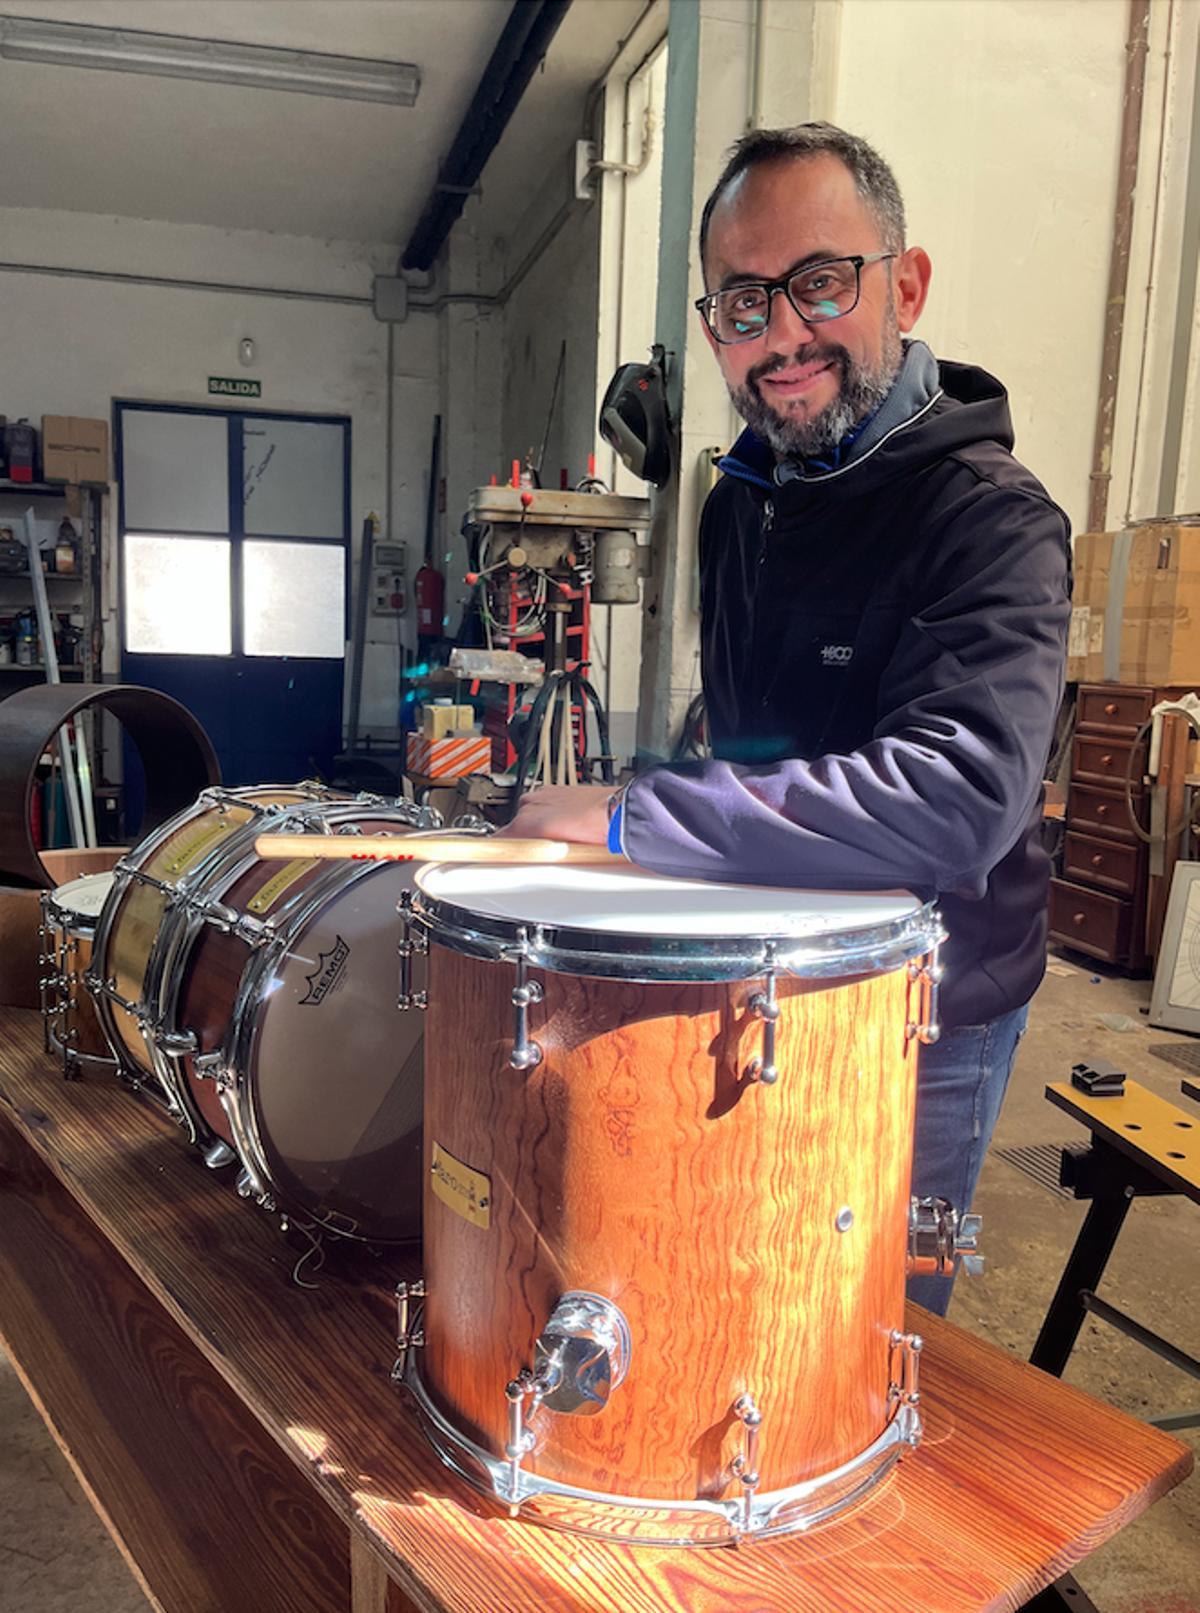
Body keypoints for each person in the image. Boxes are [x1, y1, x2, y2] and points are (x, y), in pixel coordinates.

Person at [504, 122, 1071, 1315]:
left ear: (904, 285)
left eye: (821, 281)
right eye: (743, 302)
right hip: (767, 974)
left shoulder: (993, 520)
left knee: (870, 1329)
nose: (784, 334)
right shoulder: (742, 503)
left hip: (930, 1004)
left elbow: (955, 799)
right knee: (745, 1288)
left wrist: (632, 813)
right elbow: (760, 747)